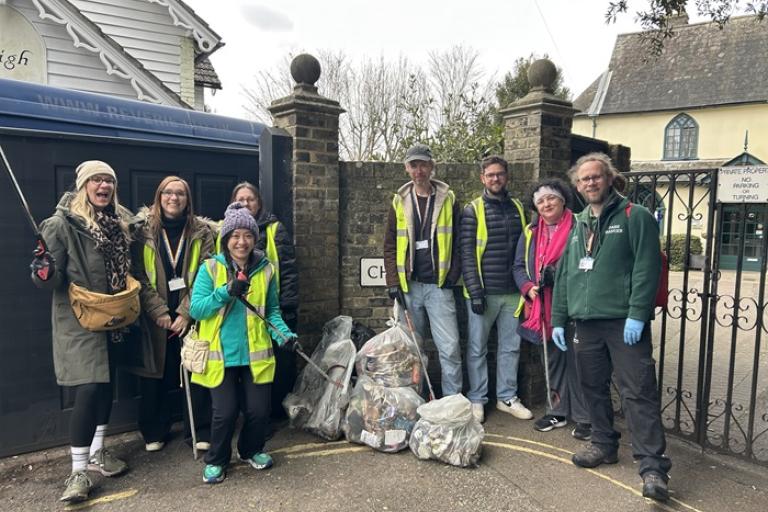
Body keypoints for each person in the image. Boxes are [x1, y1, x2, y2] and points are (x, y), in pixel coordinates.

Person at [551, 153, 671, 501]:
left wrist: (637, 313)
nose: (590, 183)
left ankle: (653, 467)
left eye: (596, 177)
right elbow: (565, 277)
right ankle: (603, 444)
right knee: (593, 388)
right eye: (584, 179)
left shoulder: (637, 217)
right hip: (586, 324)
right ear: (577, 186)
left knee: (638, 392)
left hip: (623, 322)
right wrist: (559, 318)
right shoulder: (579, 224)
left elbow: (647, 269)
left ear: (609, 178)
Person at [30, 161, 132, 502]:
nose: (103, 185)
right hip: (79, 322)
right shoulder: (61, 225)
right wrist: (43, 270)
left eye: (108, 181)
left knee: (105, 388)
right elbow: (50, 280)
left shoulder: (119, 223)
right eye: (96, 180)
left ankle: (98, 452)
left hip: (113, 319)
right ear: (83, 186)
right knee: (88, 391)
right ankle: (77, 473)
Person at [190, 202, 297, 484]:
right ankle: (216, 459)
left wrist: (284, 335)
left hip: (255, 353)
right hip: (221, 354)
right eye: (235, 236)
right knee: (224, 414)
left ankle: (251, 449)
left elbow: (271, 311)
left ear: (254, 238)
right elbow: (197, 309)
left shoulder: (266, 270)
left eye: (247, 235)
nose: (242, 241)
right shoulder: (210, 269)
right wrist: (225, 292)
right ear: (226, 240)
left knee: (259, 411)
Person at [129, 176, 215, 452]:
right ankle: (154, 430)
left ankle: (198, 429)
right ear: (159, 196)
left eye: (180, 193)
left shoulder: (202, 233)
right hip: (155, 315)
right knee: (155, 374)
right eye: (168, 192)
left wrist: (184, 313)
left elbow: (208, 272)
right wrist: (159, 312)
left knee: (195, 369)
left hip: (191, 313)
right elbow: (138, 275)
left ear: (188, 200)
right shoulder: (142, 231)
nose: (173, 198)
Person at [512, 179, 591, 439]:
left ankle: (585, 417)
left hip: (575, 304)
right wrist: (528, 287)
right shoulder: (530, 231)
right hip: (543, 304)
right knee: (553, 360)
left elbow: (591, 261)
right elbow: (518, 267)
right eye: (540, 201)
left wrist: (559, 274)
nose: (546, 204)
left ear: (563, 199)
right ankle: (557, 410)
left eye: (551, 198)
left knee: (578, 361)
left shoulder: (580, 225)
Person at [383, 143, 463, 398]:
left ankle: (452, 401)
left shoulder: (448, 199)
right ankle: (413, 399)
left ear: (431, 167)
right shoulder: (399, 201)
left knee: (449, 348)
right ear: (407, 169)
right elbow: (389, 244)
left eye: (423, 164)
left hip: (439, 287)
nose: (419, 170)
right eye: (414, 165)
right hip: (410, 287)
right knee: (411, 350)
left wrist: (452, 276)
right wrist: (393, 282)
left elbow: (461, 241)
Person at [460, 155, 531, 423]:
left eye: (500, 174)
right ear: (482, 178)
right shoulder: (473, 209)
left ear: (506, 176)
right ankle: (477, 398)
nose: (495, 179)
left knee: (511, 347)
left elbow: (526, 248)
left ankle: (507, 397)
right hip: (484, 293)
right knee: (477, 348)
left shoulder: (517, 207)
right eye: (490, 175)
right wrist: (475, 292)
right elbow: (467, 253)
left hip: (514, 292)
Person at [230, 182, 298, 417]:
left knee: (274, 365)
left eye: (251, 199)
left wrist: (287, 307)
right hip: (237, 311)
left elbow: (287, 269)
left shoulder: (273, 228)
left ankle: (272, 415)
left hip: (271, 308)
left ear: (259, 202)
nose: (246, 204)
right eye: (241, 199)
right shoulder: (224, 230)